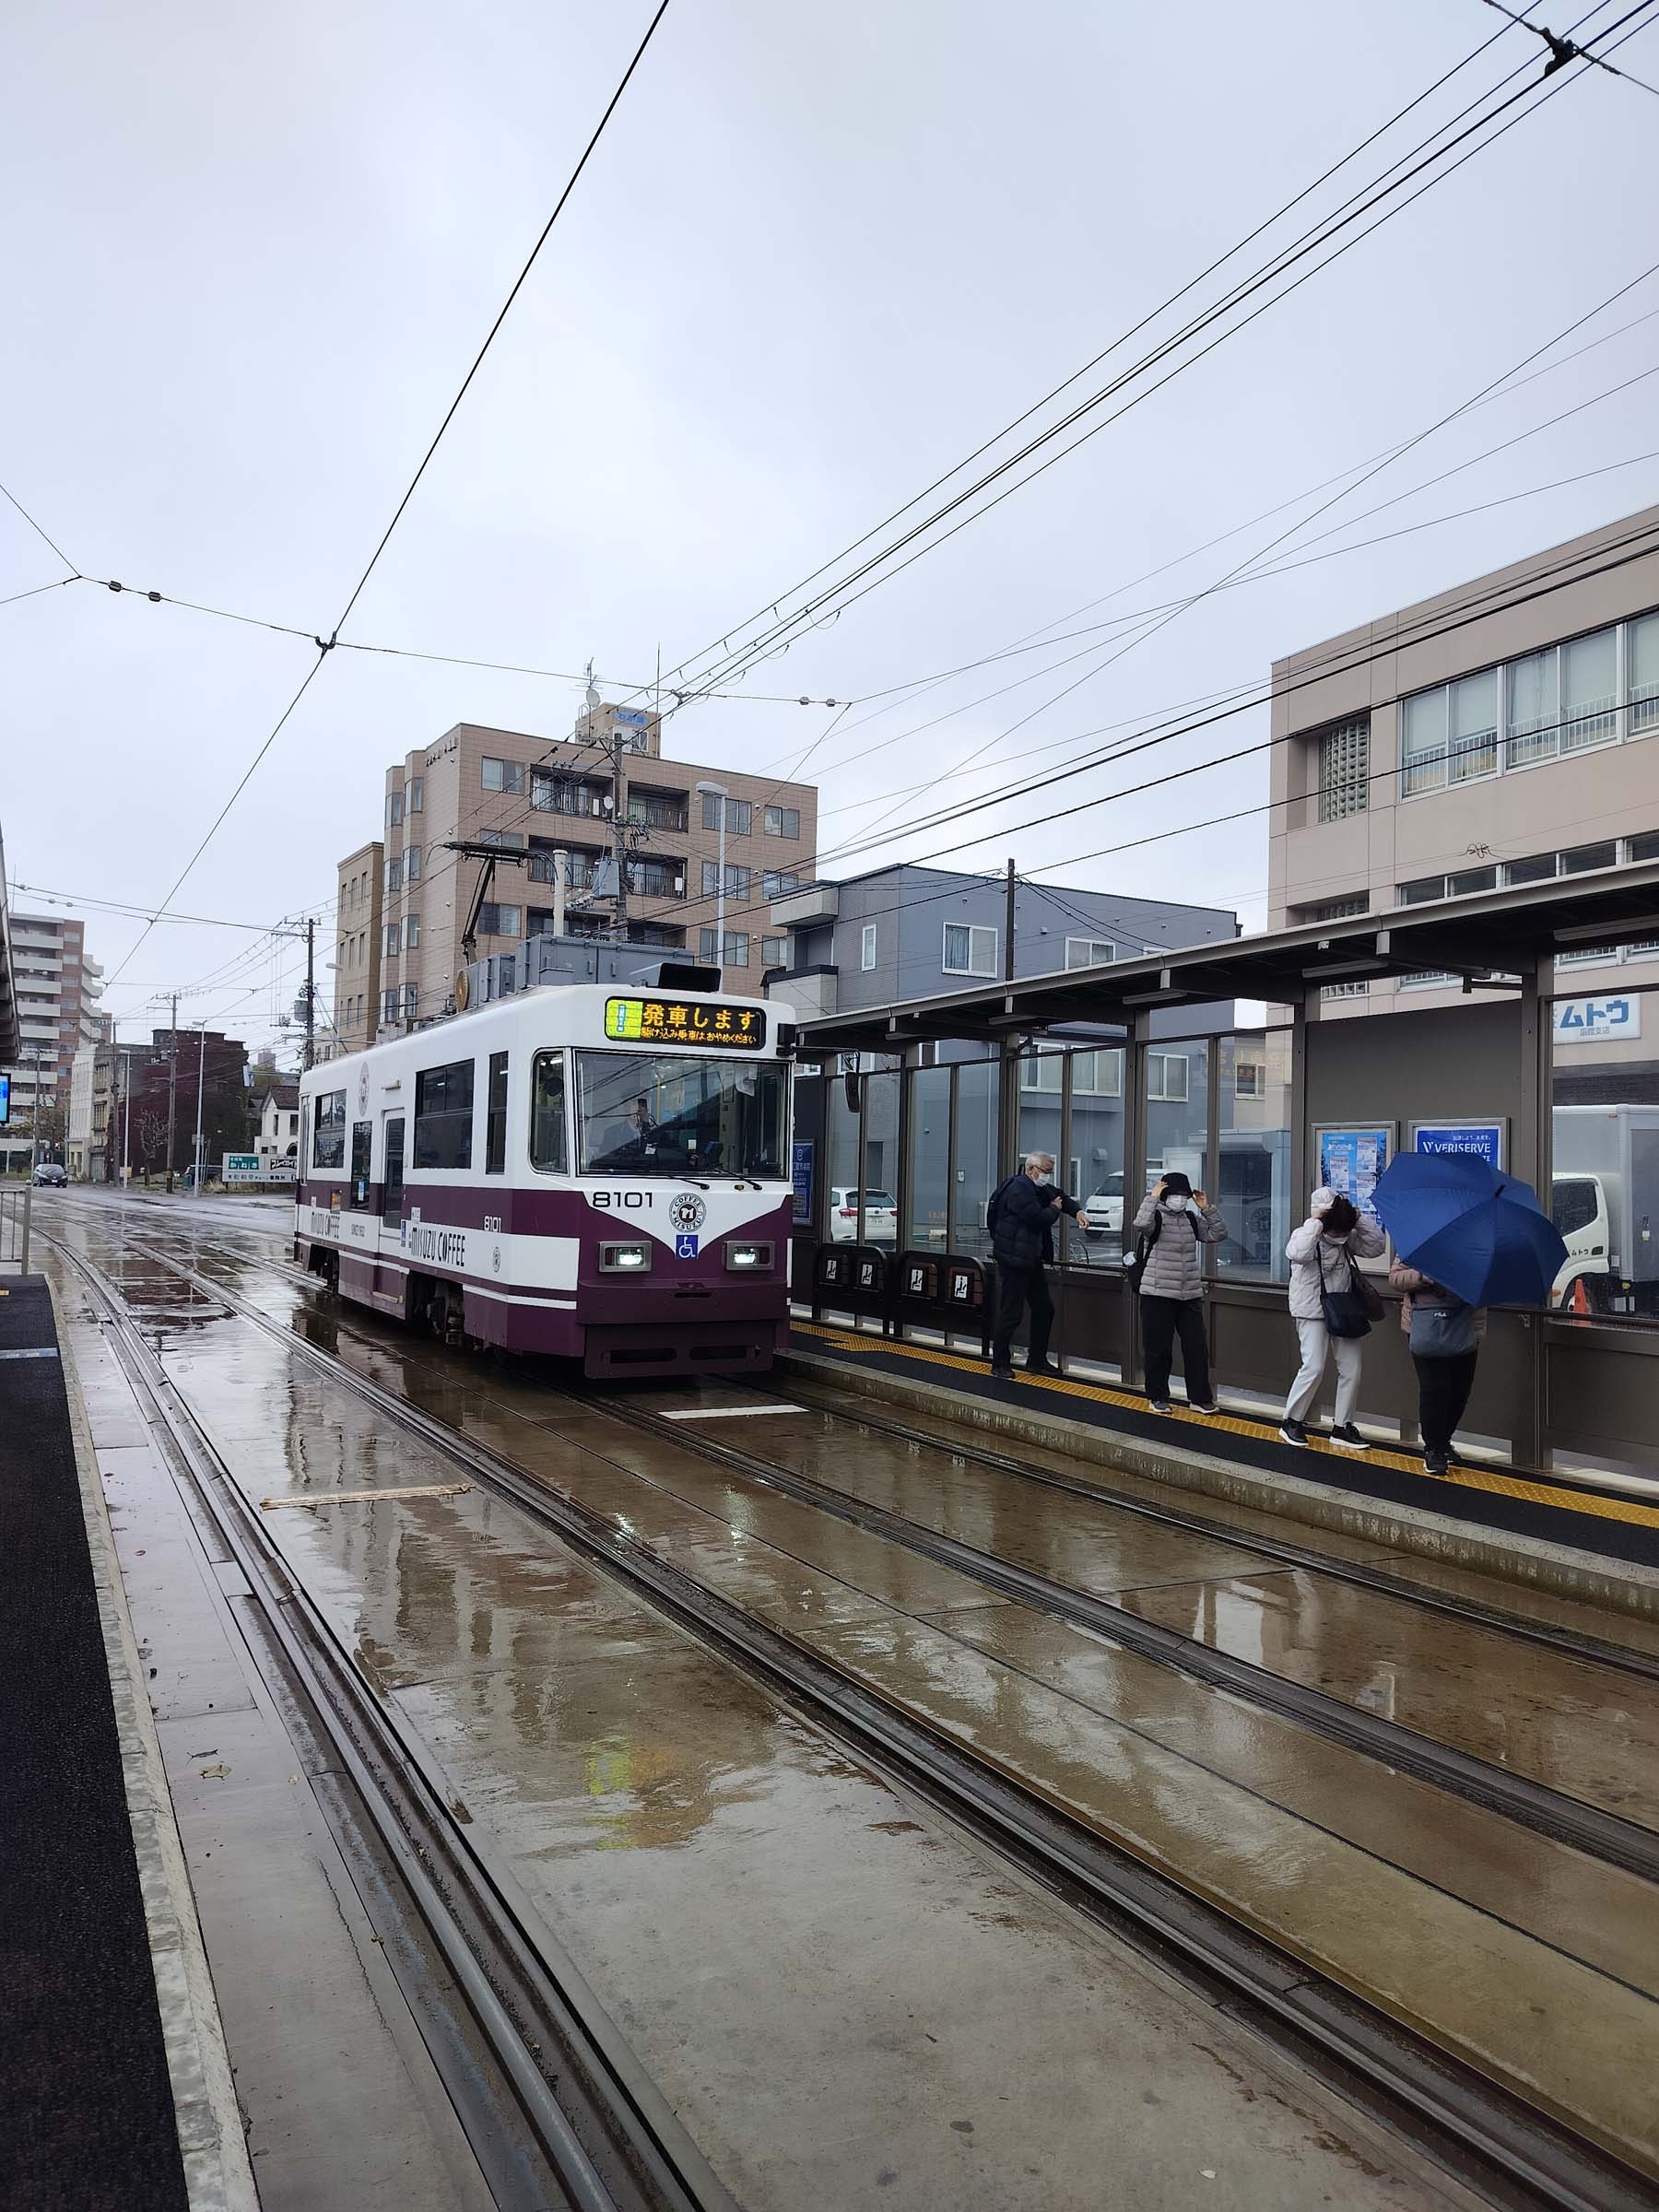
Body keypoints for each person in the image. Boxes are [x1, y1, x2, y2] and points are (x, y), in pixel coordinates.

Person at [1279, 1187, 1385, 1450]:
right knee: (1313, 1367)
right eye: (1335, 1229)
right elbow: (1297, 1253)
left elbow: (1376, 1247)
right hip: (1311, 1309)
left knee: (1351, 1369)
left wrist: (1356, 1217)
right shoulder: (1306, 1233)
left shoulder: (1346, 1233)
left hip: (1343, 1307)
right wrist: (1316, 1221)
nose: (1339, 1236)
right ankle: (1291, 1421)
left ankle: (1343, 1426)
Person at [1131, 1171, 1227, 1414]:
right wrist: (1151, 1198)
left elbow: (1218, 1234)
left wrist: (1206, 1208)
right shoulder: (1156, 1216)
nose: (1180, 1199)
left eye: (1185, 1195)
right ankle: (1157, 1396)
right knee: (1158, 1348)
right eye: (1175, 1195)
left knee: (1196, 1348)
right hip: (1157, 1292)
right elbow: (1140, 1225)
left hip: (1189, 1293)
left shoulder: (1191, 1219)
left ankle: (1199, 1398)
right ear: (1165, 1195)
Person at [988, 1152, 1086, 1380]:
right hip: (1013, 1259)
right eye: (1046, 1171)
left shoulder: (1036, 1187)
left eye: (1050, 1172)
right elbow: (1037, 1217)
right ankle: (1000, 1362)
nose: (1047, 1177)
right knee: (1010, 1312)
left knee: (1044, 1309)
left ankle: (1037, 1360)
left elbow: (1059, 1196)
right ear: (1031, 1169)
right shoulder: (1019, 1189)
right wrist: (1053, 1208)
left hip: (1030, 1259)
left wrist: (1077, 1211)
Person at [1388, 1257, 1486, 1476]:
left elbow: (1489, 1284)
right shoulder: (1421, 1240)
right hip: (1426, 1325)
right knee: (1435, 1388)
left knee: (1460, 1389)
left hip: (1465, 1325)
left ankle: (1443, 1441)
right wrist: (1422, 1277)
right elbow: (1395, 1278)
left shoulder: (1479, 1247)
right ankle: (1433, 1449)